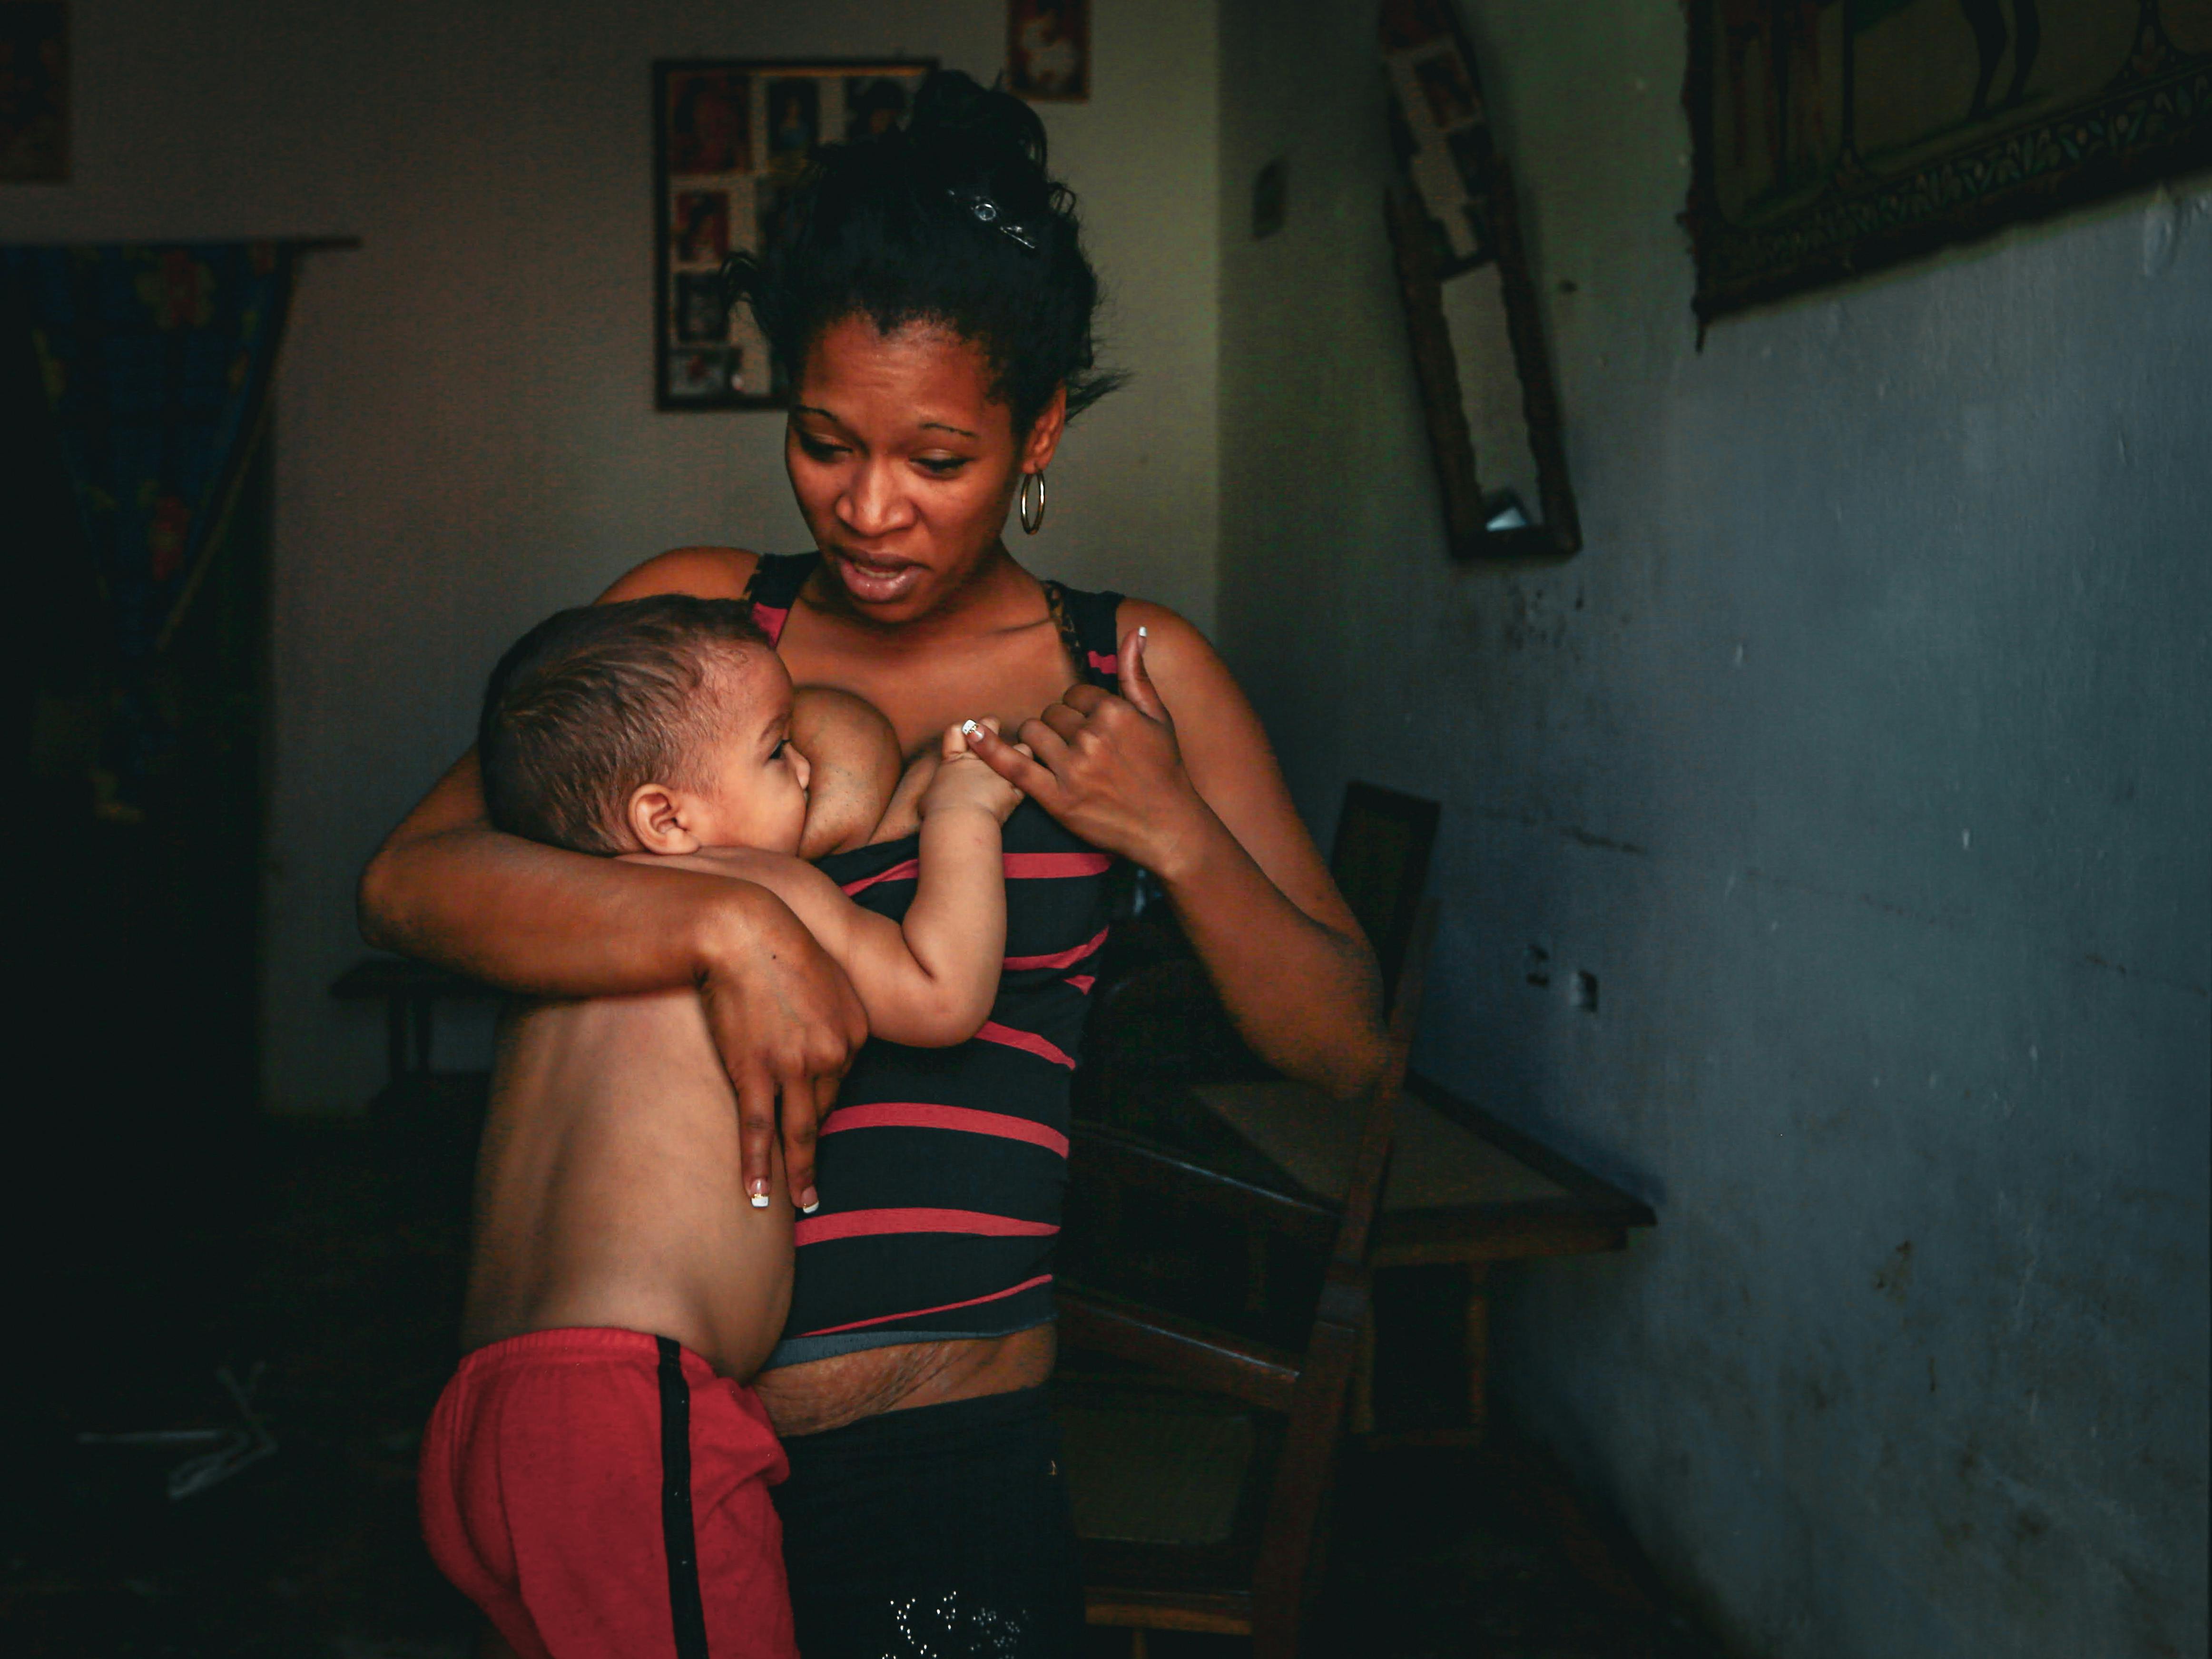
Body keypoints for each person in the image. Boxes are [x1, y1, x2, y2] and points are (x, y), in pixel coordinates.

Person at [361, 70, 1388, 1658]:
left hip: (947, 1458)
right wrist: (731, 933)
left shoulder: (1136, 666)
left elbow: (1342, 1043)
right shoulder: (710, 634)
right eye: (826, 441)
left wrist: (1170, 826)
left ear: (1038, 432)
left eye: (937, 457)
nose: (870, 505)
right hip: (651, 1439)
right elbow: (413, 882)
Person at [417, 594, 1027, 1659]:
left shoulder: (570, 931)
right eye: (778, 750)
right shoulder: (759, 884)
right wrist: (964, 816)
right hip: (626, 1420)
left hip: (479, 1421)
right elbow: (941, 994)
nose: (806, 774)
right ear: (667, 820)